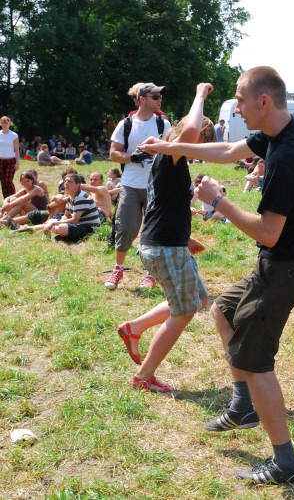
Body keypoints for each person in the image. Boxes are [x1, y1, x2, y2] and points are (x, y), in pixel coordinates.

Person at [140, 66, 294, 485]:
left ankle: (285, 464)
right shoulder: (282, 130)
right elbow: (228, 151)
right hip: (285, 263)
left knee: (254, 360)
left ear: (263, 101)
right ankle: (243, 406)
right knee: (223, 311)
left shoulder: (289, 154)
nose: (237, 108)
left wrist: (218, 201)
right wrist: (170, 148)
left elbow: (268, 232)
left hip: (289, 266)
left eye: (240, 100)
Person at [116, 83, 215, 394]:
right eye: (204, 140)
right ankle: (144, 377)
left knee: (197, 300)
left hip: (168, 244)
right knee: (183, 311)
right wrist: (199, 94)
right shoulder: (172, 155)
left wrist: (186, 239)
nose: (203, 147)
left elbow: (165, 207)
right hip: (163, 248)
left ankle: (134, 328)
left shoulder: (169, 159)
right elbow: (189, 132)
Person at [106, 82, 171, 290]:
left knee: (153, 231)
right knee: (125, 227)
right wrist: (135, 156)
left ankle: (150, 273)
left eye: (160, 96)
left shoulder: (163, 124)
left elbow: (171, 151)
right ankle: (118, 269)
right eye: (155, 96)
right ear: (142, 99)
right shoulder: (125, 124)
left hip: (156, 185)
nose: (160, 99)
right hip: (130, 184)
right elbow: (113, 154)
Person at [41, 173, 100, 242]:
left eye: (69, 181)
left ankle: (66, 235)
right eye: (65, 181)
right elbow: (66, 215)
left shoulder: (81, 198)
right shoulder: (70, 197)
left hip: (90, 228)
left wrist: (55, 224)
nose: (66, 183)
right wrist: (58, 223)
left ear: (77, 185)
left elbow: (74, 220)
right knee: (51, 221)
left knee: (60, 227)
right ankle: (62, 235)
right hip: (79, 225)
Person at [0, 116, 21, 199]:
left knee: (8, 181)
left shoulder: (14, 135)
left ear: (9, 123)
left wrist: (17, 163)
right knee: (3, 182)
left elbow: (16, 150)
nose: (4, 124)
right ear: (0, 124)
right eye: (2, 123)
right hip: (0, 161)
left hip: (11, 161)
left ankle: (13, 198)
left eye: (6, 122)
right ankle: (6, 200)